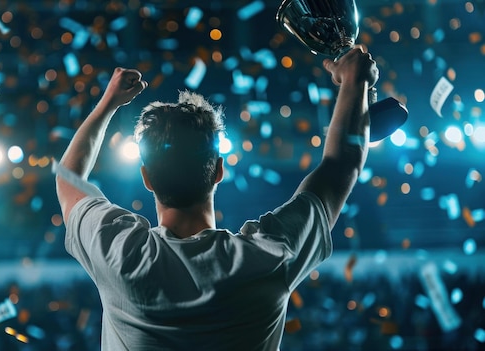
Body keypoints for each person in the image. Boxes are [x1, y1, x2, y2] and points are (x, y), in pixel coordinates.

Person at [55, 45, 378, 350]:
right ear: (219, 171)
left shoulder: (120, 254)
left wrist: (108, 103)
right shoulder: (266, 257)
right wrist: (354, 82)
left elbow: (68, 178)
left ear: (147, 179)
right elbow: (340, 166)